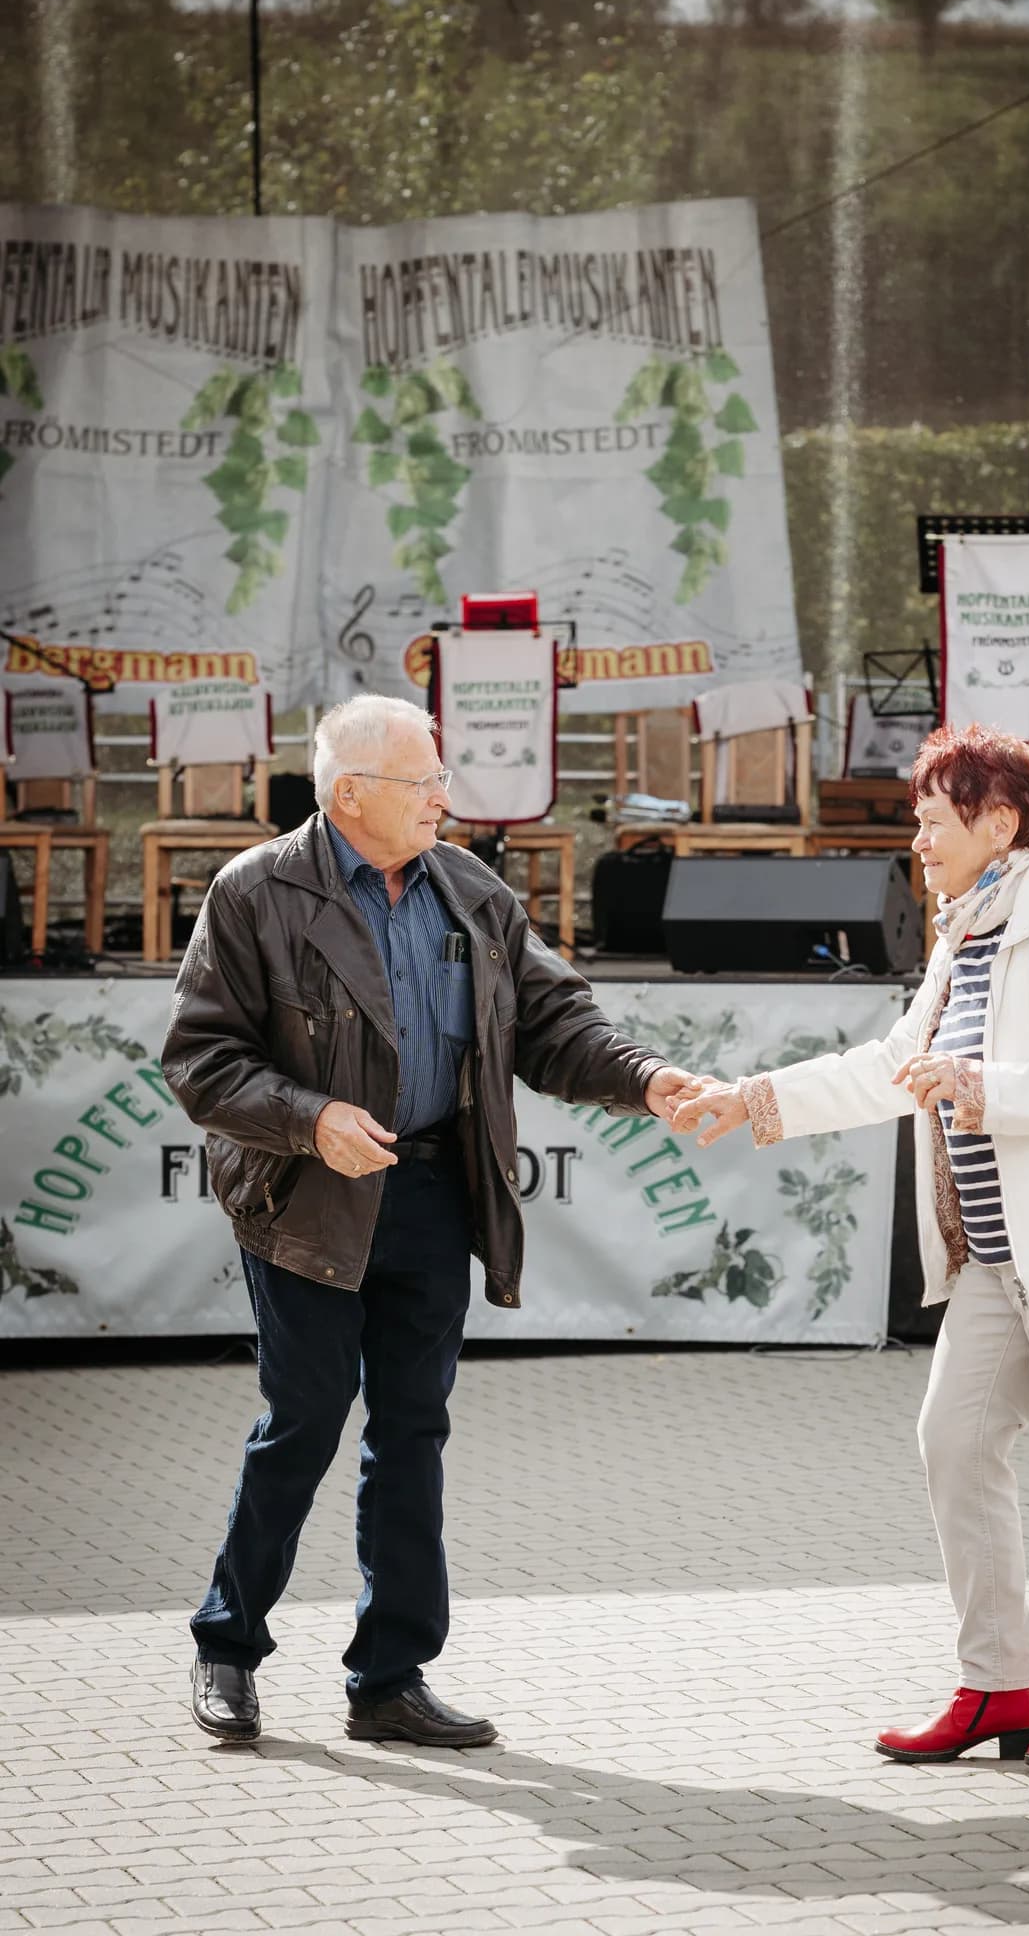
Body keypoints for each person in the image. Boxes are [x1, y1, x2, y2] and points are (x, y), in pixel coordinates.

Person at [667, 723, 1029, 1775]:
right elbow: (893, 1066)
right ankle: (995, 1682)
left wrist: (986, 1090)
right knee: (954, 1443)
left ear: (998, 822)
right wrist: (753, 1099)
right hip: (1002, 1260)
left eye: (930, 822)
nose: (917, 841)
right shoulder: (969, 929)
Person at [163, 693, 697, 1748]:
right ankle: (228, 1642)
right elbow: (201, 1060)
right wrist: (311, 1121)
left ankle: (389, 1679)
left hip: (432, 1192)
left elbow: (552, 1020)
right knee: (304, 1421)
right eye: (426, 781)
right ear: (351, 793)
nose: (445, 796)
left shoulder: (471, 888)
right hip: (307, 1197)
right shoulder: (257, 890)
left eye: (443, 776)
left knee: (411, 1433)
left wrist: (646, 1077)